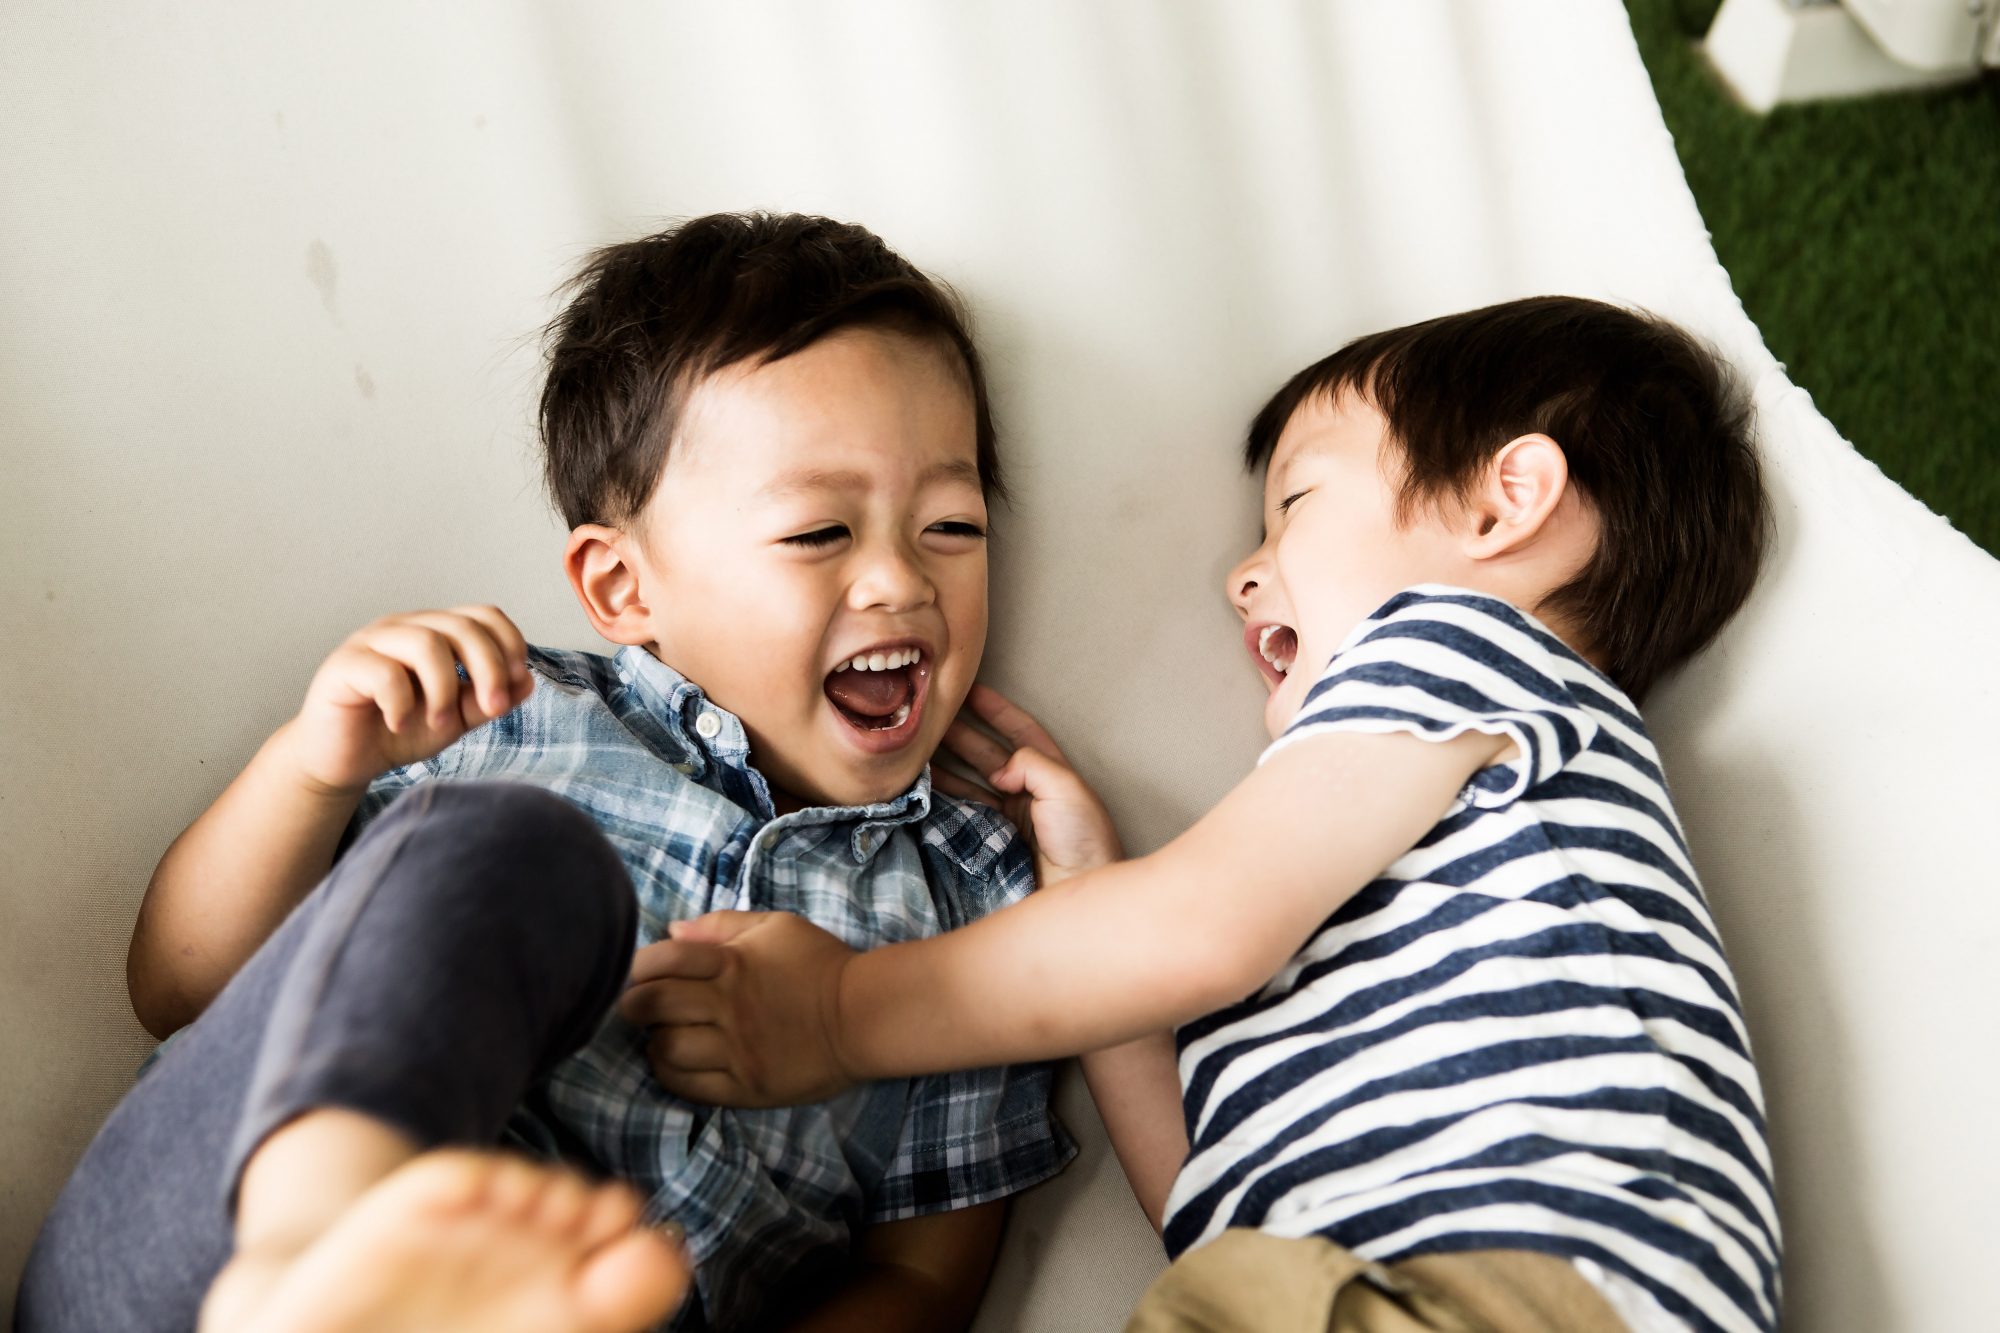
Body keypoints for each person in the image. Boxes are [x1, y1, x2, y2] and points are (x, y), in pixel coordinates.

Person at [15, 212, 1097, 1333]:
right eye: (819, 531)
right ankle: (316, 1250)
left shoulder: (976, 907)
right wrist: (310, 772)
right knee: (513, 854)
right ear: (625, 590)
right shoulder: (504, 712)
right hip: (191, 1263)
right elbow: (181, 987)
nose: (896, 580)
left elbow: (920, 1279)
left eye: (952, 525)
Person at [636, 296, 1783, 1333]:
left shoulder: (1465, 644)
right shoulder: (1436, 837)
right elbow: (1207, 1199)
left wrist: (841, 1010)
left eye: (1293, 503)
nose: (1245, 570)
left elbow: (1201, 928)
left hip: (1504, 1283)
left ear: (1502, 502)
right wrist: (1086, 892)